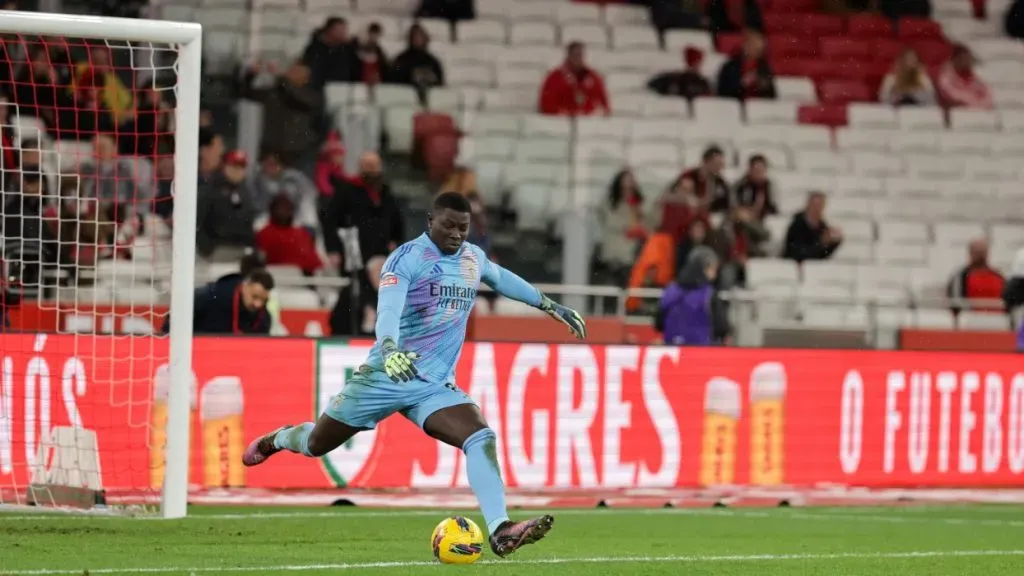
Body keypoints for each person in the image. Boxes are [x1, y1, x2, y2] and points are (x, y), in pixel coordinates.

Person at [242, 191, 587, 557]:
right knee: (316, 444)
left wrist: (547, 304)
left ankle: (500, 529)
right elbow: (388, 311)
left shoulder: (472, 258)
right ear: (430, 221)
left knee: (480, 436)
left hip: (433, 386)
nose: (456, 234)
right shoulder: (408, 258)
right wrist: (389, 348)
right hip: (387, 374)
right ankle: (277, 439)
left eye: (463, 228)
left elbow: (502, 279)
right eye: (449, 226)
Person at [162, 267, 274, 335]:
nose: (258, 304)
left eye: (263, 300)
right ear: (244, 286)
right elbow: (180, 308)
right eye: (254, 297)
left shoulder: (264, 318)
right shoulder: (213, 295)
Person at [656, 246, 729, 345]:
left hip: (673, 348)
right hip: (700, 351)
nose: (715, 275)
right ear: (705, 268)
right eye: (713, 269)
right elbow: (722, 329)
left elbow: (659, 324)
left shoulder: (670, 290)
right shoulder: (709, 294)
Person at [538, 42, 610, 117]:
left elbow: (604, 106)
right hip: (562, 121)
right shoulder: (555, 77)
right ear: (569, 56)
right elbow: (546, 105)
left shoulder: (594, 78)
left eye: (580, 55)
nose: (578, 58)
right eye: (575, 55)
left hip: (589, 122)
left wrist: (595, 114)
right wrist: (564, 114)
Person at [948, 239, 1005, 314]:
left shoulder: (998, 276)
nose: (980, 255)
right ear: (970, 253)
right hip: (970, 319)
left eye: (982, 252)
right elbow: (955, 303)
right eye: (977, 252)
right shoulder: (960, 277)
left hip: (998, 319)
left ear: (987, 253)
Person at [783, 191, 842, 262]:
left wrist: (833, 243)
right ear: (808, 205)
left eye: (819, 205)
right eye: (814, 205)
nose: (816, 209)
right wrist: (821, 241)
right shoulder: (797, 225)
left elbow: (823, 255)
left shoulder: (822, 227)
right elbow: (797, 253)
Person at [937, 44, 993, 109]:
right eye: (963, 58)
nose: (967, 61)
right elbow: (951, 95)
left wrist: (981, 103)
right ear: (955, 59)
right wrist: (973, 99)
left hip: (978, 110)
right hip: (957, 111)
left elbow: (987, 95)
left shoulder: (975, 77)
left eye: (968, 58)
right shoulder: (945, 77)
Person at [647, 46, 713, 101]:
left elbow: (706, 101)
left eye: (697, 61)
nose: (694, 65)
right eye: (691, 60)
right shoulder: (667, 79)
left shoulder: (703, 83)